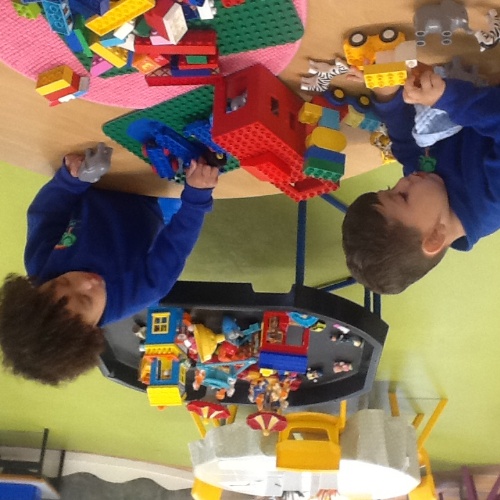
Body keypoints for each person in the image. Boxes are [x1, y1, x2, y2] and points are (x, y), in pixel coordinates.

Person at [0, 150, 219, 385]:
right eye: (85, 300)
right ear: (93, 331)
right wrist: (196, 197)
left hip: (94, 180)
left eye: (62, 281)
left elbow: (46, 213)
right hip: (146, 197)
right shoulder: (140, 292)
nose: (85, 282)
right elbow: (175, 245)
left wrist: (69, 181)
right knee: (189, 175)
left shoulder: (39, 266)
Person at [342, 67, 500, 294]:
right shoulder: (491, 201)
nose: (404, 181)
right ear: (435, 237)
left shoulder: (428, 187)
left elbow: (406, 143)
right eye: (402, 197)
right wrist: (449, 98)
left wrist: (387, 95)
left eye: (390, 188)